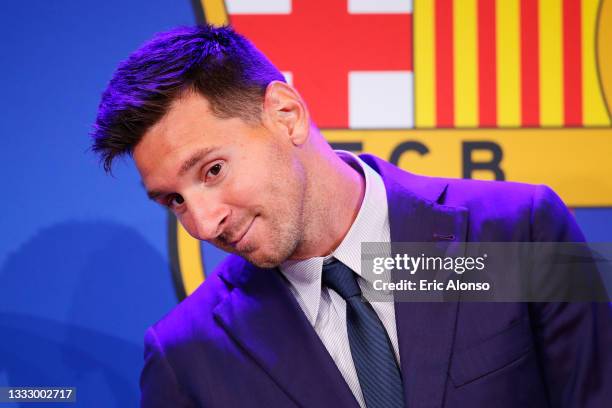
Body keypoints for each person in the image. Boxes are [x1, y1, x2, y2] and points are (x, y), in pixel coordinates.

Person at [92, 25, 612, 407]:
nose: (204, 225)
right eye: (174, 200)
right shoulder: (187, 353)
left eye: (212, 170)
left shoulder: (519, 231)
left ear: (285, 115)